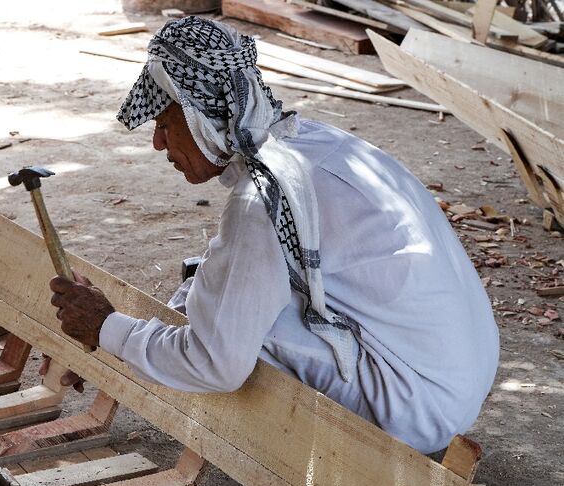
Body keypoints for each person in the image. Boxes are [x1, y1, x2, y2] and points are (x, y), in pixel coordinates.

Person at [48, 16, 499, 454]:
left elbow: (216, 365)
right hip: (458, 380)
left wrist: (107, 329)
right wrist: (122, 336)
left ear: (205, 118)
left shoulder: (261, 198)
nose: (158, 144)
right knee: (221, 295)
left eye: (165, 125)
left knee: (233, 342)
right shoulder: (317, 142)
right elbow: (224, 275)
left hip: (414, 411)